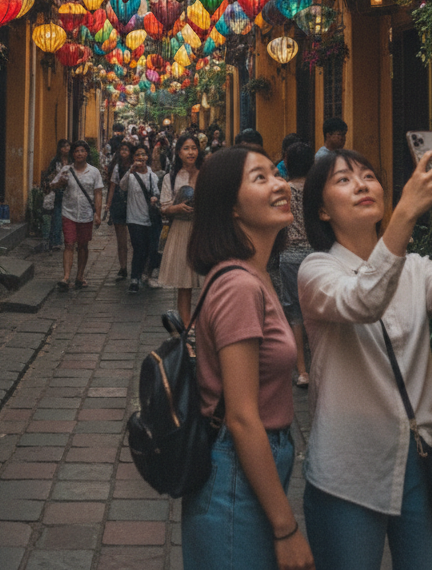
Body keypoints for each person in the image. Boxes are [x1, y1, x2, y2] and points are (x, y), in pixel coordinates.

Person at [298, 148, 432, 570]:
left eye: (368, 175)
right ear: (323, 211)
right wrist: (406, 212)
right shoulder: (316, 271)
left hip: (421, 463)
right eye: (344, 180)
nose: (362, 184)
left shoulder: (416, 269)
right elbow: (363, 300)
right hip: (347, 469)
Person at [182, 145, 315, 570]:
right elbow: (241, 417)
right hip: (234, 471)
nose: (279, 184)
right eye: (260, 178)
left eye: (274, 174)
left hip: (247, 467)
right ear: (232, 208)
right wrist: (286, 528)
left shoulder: (254, 275)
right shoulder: (240, 286)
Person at [278, 142, 314, 387]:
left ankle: (302, 371)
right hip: (316, 254)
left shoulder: (283, 190)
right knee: (317, 311)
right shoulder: (317, 189)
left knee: (295, 314)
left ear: (287, 163)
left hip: (290, 255)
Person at [158, 132, 204, 325]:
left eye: (194, 148)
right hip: (180, 230)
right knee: (184, 284)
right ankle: (186, 327)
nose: (190, 152)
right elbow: (164, 205)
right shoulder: (171, 177)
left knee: (206, 282)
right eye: (186, 148)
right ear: (178, 152)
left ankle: (204, 324)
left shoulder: (206, 173)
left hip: (202, 231)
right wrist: (176, 208)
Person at [50, 140, 102, 291]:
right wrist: (60, 181)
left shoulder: (94, 172)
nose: (79, 154)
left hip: (86, 213)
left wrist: (98, 214)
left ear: (87, 153)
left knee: (83, 245)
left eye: (82, 151)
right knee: (69, 243)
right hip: (69, 212)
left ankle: (80, 276)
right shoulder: (66, 170)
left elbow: (98, 193)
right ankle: (66, 277)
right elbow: (52, 185)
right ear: (73, 154)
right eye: (77, 151)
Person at [118, 143, 161, 293]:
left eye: (143, 155)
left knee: (149, 249)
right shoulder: (130, 175)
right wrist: (130, 171)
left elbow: (156, 192)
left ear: (147, 157)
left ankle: (145, 275)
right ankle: (134, 279)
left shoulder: (152, 176)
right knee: (138, 248)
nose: (140, 158)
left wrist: (155, 198)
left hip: (149, 218)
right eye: (137, 155)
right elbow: (122, 187)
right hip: (134, 218)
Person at [106, 142, 134, 280]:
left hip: (134, 203)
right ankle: (123, 267)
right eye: (122, 148)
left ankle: (136, 267)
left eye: (126, 149)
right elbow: (112, 186)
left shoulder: (135, 167)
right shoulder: (116, 167)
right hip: (118, 204)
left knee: (135, 239)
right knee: (121, 240)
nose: (124, 151)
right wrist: (108, 205)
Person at [41, 139, 71, 251]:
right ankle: (56, 241)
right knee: (57, 216)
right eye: (63, 146)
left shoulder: (72, 160)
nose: (66, 148)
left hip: (71, 191)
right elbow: (49, 175)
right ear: (59, 149)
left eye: (68, 146)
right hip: (59, 190)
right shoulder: (55, 161)